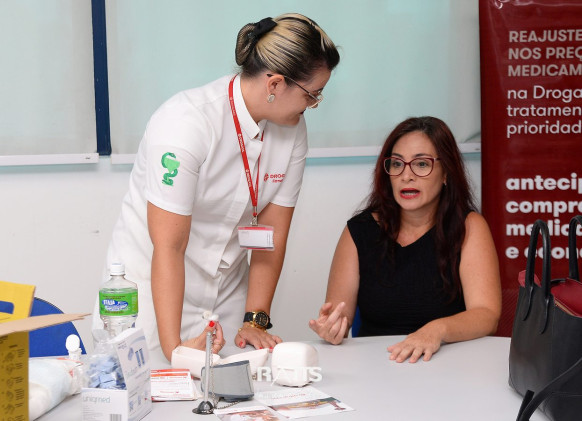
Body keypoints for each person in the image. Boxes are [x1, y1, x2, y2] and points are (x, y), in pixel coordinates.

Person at [94, 13, 340, 361]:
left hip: (226, 294)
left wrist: (254, 320)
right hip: (152, 295)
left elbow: (271, 236)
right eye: (312, 94)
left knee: (233, 389)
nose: (313, 105)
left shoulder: (292, 130)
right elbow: (170, 246)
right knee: (159, 386)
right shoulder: (184, 123)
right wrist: (175, 348)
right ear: (275, 84)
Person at [309, 116, 501, 363]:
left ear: (446, 172)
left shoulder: (469, 227)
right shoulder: (360, 230)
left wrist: (436, 330)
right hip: (377, 366)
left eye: (421, 164)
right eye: (397, 164)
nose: (406, 176)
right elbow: (339, 316)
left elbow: (487, 315)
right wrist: (332, 329)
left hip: (448, 364)